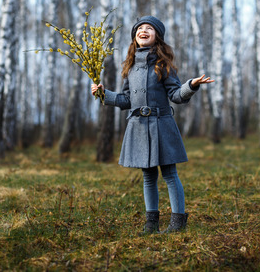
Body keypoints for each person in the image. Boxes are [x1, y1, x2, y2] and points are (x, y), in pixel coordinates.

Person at [91, 16, 214, 234]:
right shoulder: (130, 67)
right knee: (148, 177)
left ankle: (177, 224)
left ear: (157, 36)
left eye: (149, 28)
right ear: (134, 36)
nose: (143, 30)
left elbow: (176, 95)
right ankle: (151, 224)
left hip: (161, 126)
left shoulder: (163, 64)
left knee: (169, 174)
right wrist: (104, 94)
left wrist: (191, 85)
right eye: (140, 28)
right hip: (138, 127)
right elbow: (126, 100)